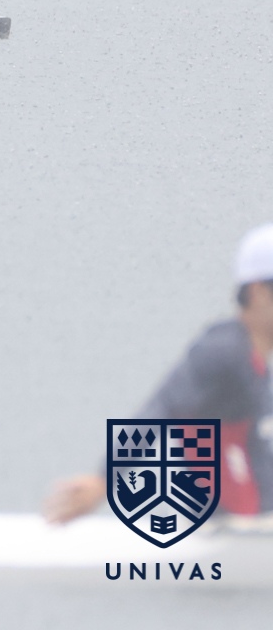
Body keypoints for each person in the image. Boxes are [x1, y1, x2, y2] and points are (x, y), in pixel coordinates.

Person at [43, 224, 273, 524]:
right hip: (232, 534)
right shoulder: (223, 351)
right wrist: (104, 480)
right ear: (258, 292)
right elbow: (160, 411)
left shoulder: (253, 359)